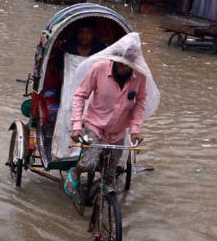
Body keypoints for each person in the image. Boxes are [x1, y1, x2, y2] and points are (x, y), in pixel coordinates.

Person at [64, 33, 155, 205]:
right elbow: (80, 95)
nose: (122, 68)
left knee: (112, 171)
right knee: (89, 163)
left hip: (118, 130)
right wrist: (76, 125)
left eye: (127, 65)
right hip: (94, 124)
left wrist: (135, 130)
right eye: (119, 63)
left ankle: (104, 203)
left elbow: (140, 103)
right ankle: (75, 172)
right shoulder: (99, 69)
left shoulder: (139, 77)